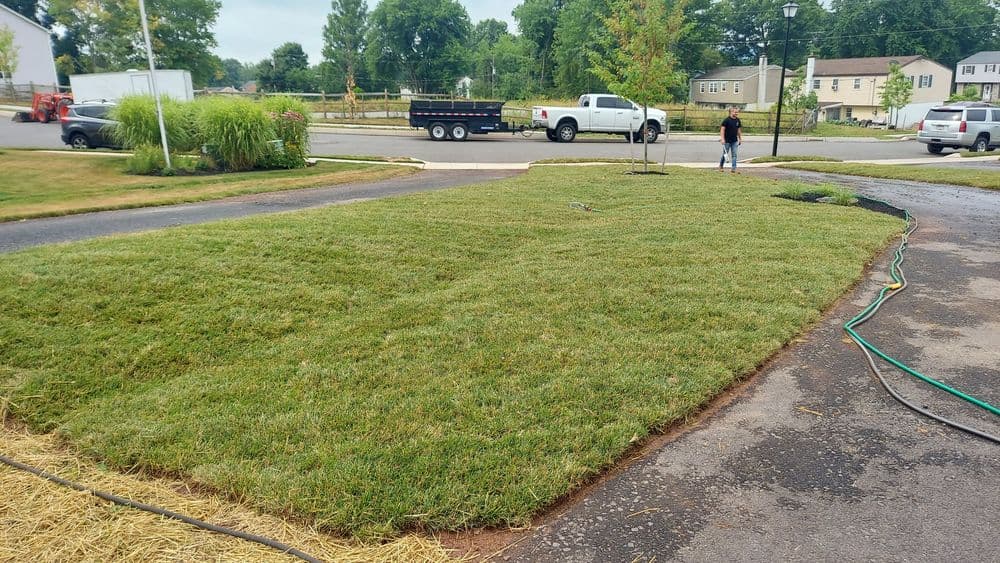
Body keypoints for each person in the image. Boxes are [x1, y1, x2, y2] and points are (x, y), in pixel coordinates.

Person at [719, 107, 743, 173]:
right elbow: (722, 130)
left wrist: (740, 138)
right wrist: (722, 139)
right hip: (726, 141)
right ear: (731, 112)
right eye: (735, 112)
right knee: (725, 154)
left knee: (734, 154)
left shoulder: (738, 120)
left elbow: (739, 130)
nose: (736, 113)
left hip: (734, 141)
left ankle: (733, 168)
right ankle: (721, 166)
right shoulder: (726, 120)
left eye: (737, 112)